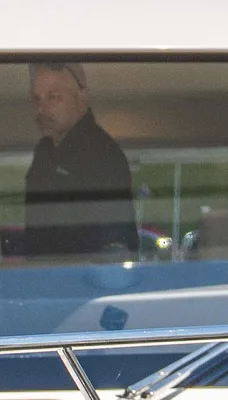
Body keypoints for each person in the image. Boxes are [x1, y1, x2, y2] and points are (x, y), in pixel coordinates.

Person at [14, 61, 141, 262]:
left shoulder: (101, 154)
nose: (42, 109)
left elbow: (114, 244)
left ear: (81, 98)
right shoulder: (44, 152)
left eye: (53, 97)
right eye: (36, 99)